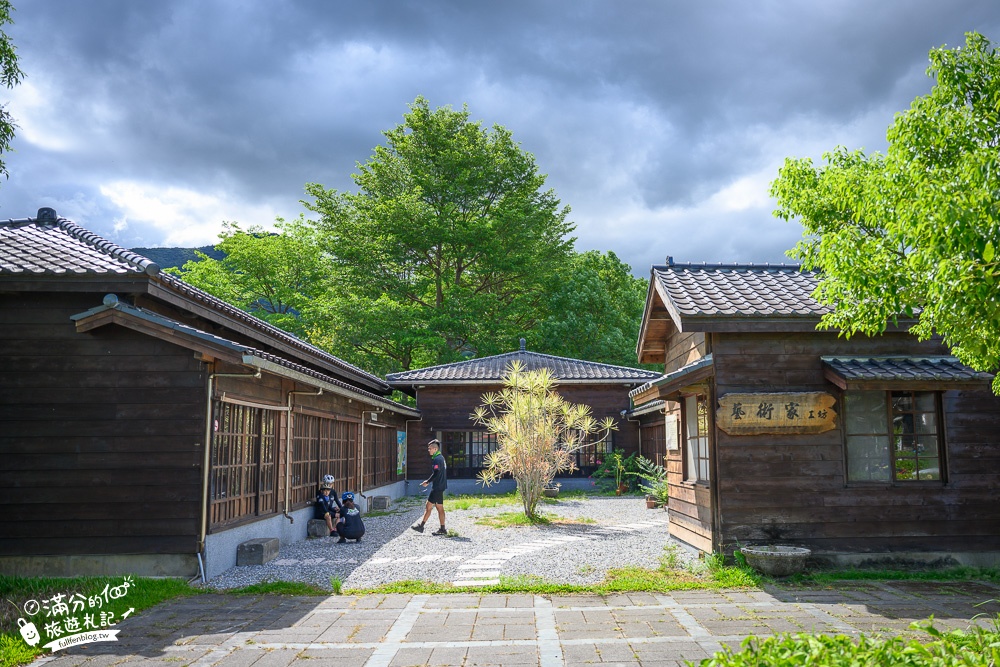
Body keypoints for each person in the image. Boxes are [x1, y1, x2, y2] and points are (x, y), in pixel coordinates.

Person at [411, 439, 448, 535]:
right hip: (441, 485)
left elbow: (436, 473)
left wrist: (427, 482)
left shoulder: (437, 459)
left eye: (430, 448)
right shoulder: (441, 457)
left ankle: (421, 526)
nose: (429, 450)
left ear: (435, 449)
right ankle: (442, 529)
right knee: (439, 507)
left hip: (437, 487)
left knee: (428, 506)